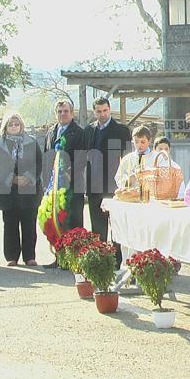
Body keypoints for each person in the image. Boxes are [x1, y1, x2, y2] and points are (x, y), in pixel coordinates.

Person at [84, 97, 131, 268]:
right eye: (99, 111)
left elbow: (128, 160)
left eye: (105, 110)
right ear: (94, 112)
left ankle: (117, 260)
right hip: (94, 185)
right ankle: (100, 260)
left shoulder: (121, 130)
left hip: (114, 187)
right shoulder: (88, 131)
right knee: (97, 226)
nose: (102, 114)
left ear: (110, 109)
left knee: (116, 225)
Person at [0, 114, 42, 266]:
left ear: (21, 126)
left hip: (29, 190)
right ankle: (12, 257)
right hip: (8, 190)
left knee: (29, 224)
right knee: (10, 224)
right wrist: (11, 178)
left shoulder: (32, 142)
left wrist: (27, 177)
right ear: (5, 127)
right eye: (10, 124)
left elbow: (39, 163)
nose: (14, 127)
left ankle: (29, 256)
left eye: (16, 124)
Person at [42, 100, 85, 268]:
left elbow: (83, 156)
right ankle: (59, 257)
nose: (62, 114)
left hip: (73, 184)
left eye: (65, 111)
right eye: (59, 111)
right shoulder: (51, 132)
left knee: (73, 221)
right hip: (54, 186)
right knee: (57, 220)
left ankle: (74, 259)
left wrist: (69, 173)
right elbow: (47, 157)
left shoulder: (79, 132)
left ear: (72, 113)